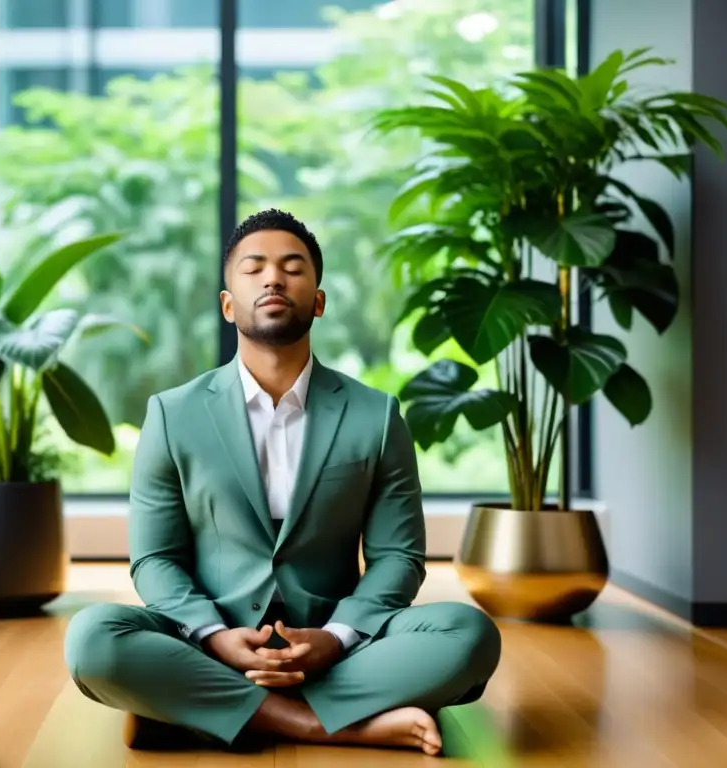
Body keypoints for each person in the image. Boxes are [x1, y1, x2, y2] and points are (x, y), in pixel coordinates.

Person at [64, 209, 502, 755]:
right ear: (228, 305)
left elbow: (398, 556)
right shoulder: (172, 414)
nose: (273, 278)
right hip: (209, 644)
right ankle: (323, 723)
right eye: (254, 268)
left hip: (334, 646)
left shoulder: (377, 415)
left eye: (293, 268)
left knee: (469, 635)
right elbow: (155, 558)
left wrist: (335, 638)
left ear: (318, 301)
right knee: (93, 640)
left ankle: (192, 712)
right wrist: (214, 637)